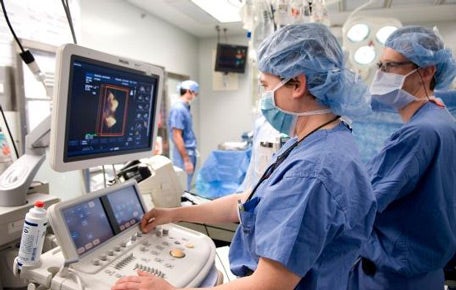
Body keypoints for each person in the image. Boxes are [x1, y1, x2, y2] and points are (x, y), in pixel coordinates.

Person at [112, 23, 376, 290]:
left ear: (297, 84)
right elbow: (246, 202)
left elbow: (269, 284)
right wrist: (176, 214)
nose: (264, 97)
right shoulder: (315, 141)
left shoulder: (311, 171)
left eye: (265, 85)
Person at [348, 25, 456, 290]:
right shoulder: (442, 120)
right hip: (422, 273)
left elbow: (365, 201)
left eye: (392, 66)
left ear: (427, 71)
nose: (381, 74)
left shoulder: (420, 133)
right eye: (381, 65)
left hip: (394, 277)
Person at [168, 80, 199, 190]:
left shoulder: (185, 108)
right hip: (183, 155)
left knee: (187, 185)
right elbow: (177, 135)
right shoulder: (178, 109)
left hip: (189, 152)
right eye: (196, 93)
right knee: (183, 188)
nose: (196, 96)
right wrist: (186, 159)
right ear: (189, 91)